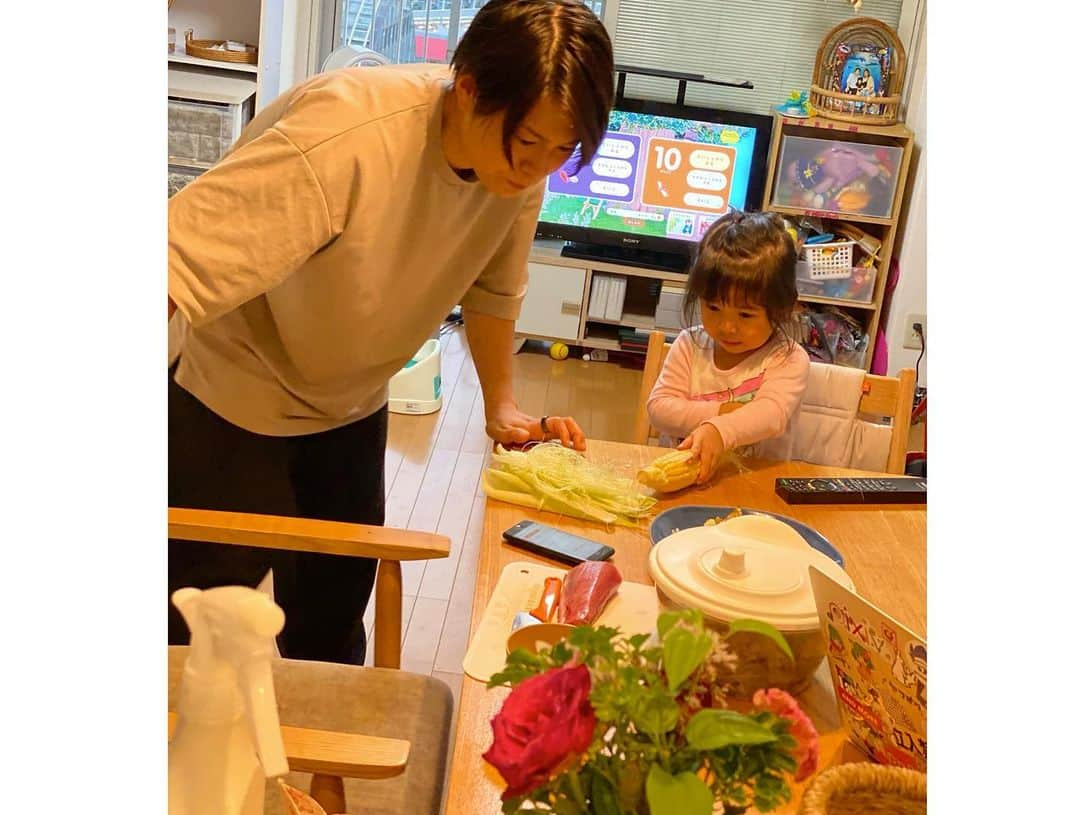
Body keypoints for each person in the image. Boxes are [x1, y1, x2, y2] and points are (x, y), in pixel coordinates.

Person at [167, 0, 614, 664]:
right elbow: (172, 261)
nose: (540, 168)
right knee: (215, 644)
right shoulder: (346, 136)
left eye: (563, 151)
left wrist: (502, 406)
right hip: (232, 398)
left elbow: (493, 290)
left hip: (350, 406)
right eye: (528, 145)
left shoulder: (519, 171)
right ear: (466, 88)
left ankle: (315, 763)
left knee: (333, 624)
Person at [646, 211, 810, 483]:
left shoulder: (787, 359)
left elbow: (771, 415)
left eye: (745, 315)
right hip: (683, 488)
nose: (727, 327)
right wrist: (720, 413)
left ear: (782, 308)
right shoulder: (689, 345)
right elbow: (659, 409)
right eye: (713, 308)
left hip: (755, 488)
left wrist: (720, 430)